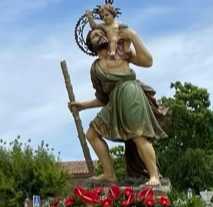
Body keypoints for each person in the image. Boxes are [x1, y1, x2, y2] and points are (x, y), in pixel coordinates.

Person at [69, 27, 167, 185]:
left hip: (130, 94)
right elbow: (103, 98)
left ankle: (154, 176)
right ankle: (109, 174)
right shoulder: (95, 68)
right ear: (90, 45)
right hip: (114, 102)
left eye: (102, 33)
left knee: (139, 135)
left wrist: (133, 37)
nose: (100, 35)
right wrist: (82, 105)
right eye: (95, 35)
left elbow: (148, 61)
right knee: (92, 134)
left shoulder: (121, 53)